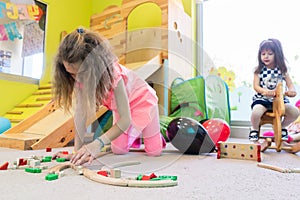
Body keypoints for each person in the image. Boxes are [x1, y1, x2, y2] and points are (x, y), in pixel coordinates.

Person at [52, 27, 166, 165]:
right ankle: (134, 135)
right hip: (122, 109)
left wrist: (97, 144)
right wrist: (77, 152)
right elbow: (80, 114)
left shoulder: (114, 76)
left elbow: (125, 120)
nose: (76, 79)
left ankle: (152, 134)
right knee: (118, 150)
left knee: (154, 152)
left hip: (144, 101)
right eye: (71, 73)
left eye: (80, 73)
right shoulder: (79, 80)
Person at [249, 38, 299, 141]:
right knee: (256, 112)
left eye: (270, 53)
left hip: (279, 100)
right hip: (262, 99)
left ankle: (282, 127)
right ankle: (254, 129)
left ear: (277, 55)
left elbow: (290, 84)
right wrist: (264, 91)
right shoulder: (258, 70)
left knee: (294, 112)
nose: (266, 56)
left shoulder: (282, 70)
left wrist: (291, 91)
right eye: (263, 54)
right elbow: (256, 86)